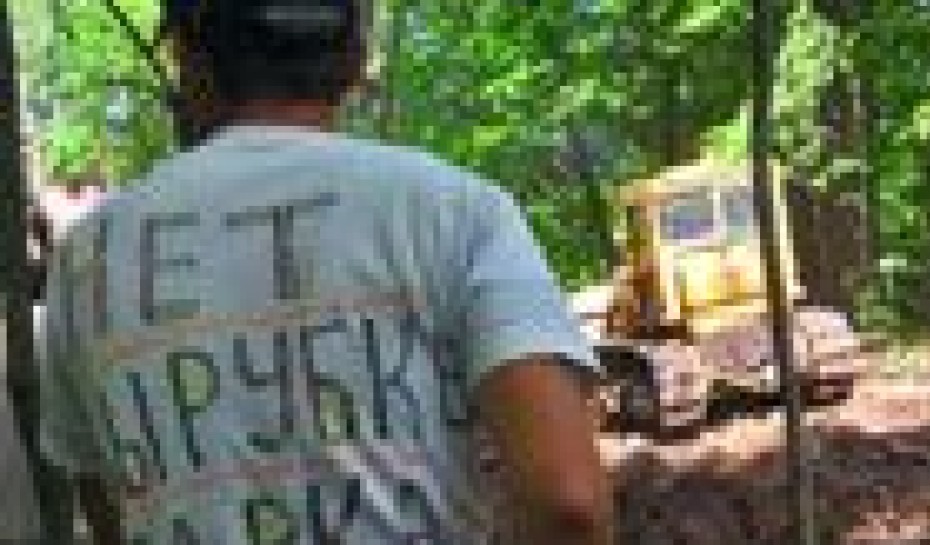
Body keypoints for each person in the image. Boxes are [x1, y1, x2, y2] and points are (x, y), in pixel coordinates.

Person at [38, 1, 613, 544]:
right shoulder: (456, 211)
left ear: (188, 61)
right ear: (356, 56)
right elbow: (569, 505)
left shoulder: (86, 260)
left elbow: (109, 507)